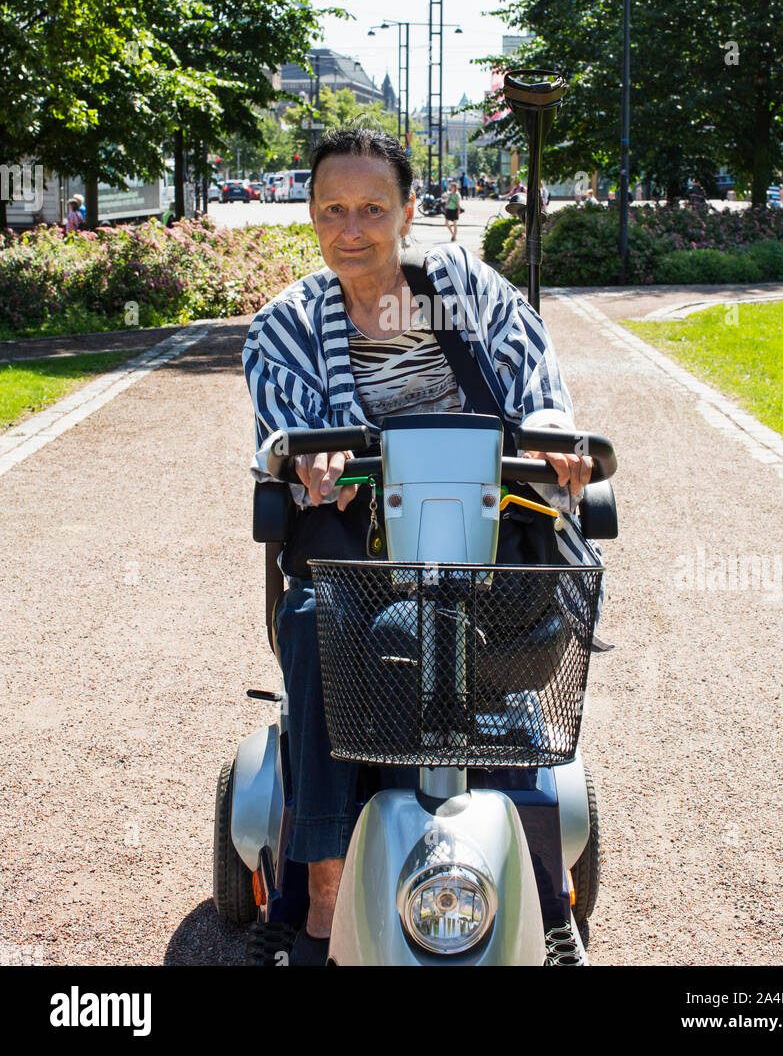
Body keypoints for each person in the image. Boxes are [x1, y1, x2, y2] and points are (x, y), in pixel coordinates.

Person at [242, 123, 600, 964]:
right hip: (358, 559)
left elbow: (540, 390)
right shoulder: (284, 327)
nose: (352, 228)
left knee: (453, 638)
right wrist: (308, 456)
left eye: (373, 207)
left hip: (482, 553)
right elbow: (283, 439)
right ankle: (325, 883)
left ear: (410, 209)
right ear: (313, 214)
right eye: (333, 208)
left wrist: (554, 440)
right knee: (316, 618)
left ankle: (546, 900)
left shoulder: (465, 294)